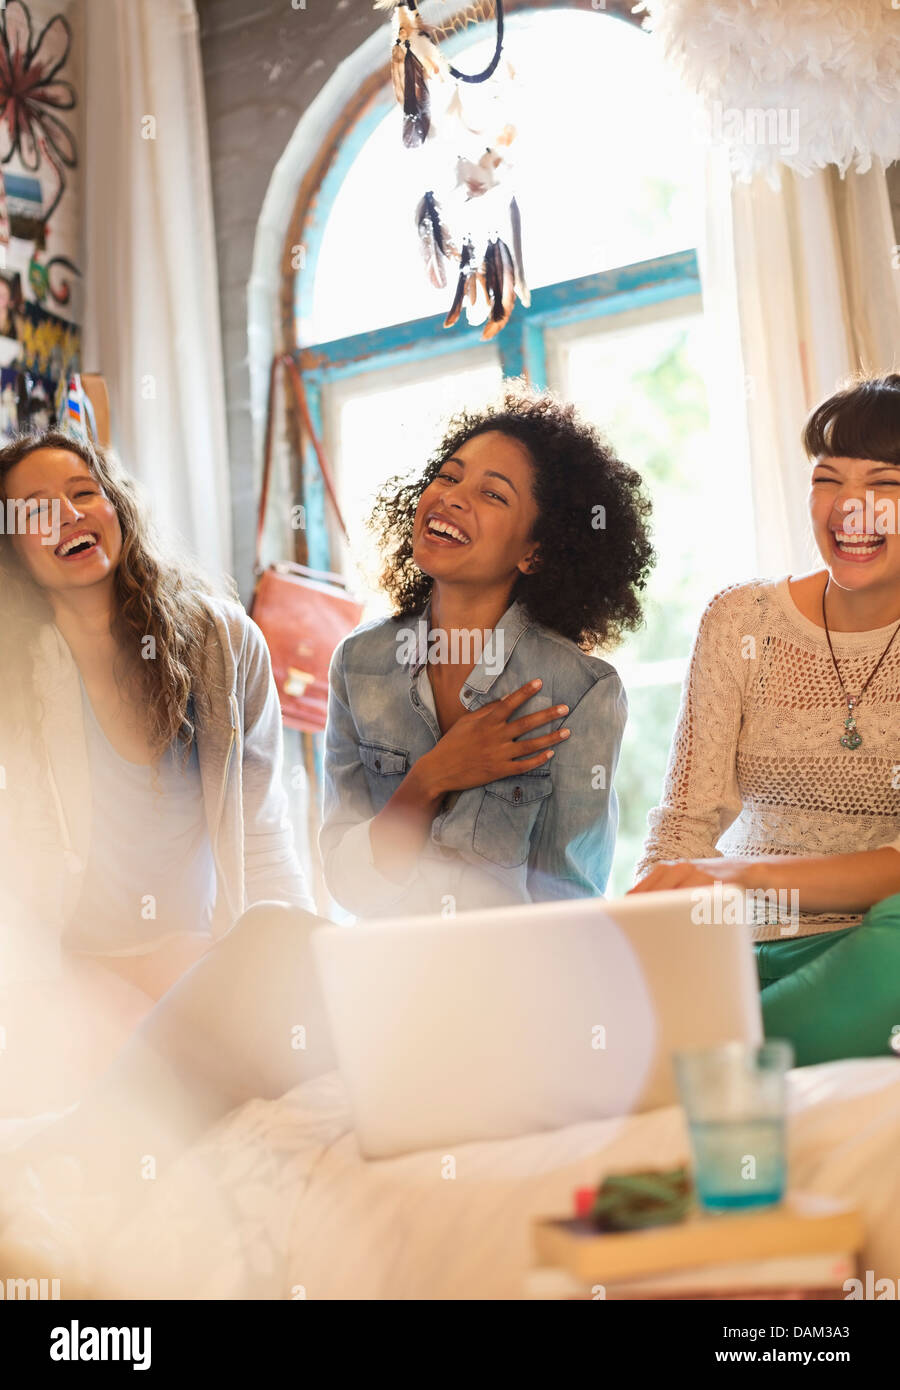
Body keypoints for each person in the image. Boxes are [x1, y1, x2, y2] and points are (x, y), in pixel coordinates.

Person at [631, 373, 900, 1066]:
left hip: (871, 945)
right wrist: (653, 930)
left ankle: (719, 1067)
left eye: (885, 484)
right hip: (736, 935)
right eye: (828, 479)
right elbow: (686, 823)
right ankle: (712, 1055)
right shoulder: (741, 620)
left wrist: (749, 876)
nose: (850, 509)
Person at [0, 427, 313, 1006]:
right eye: (36, 510)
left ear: (115, 504)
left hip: (206, 978)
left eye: (83, 492)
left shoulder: (224, 641)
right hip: (70, 999)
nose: (68, 515)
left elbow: (264, 840)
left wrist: (294, 974)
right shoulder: (11, 677)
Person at [320, 379, 654, 916]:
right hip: (385, 976)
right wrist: (432, 777)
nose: (451, 495)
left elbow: (568, 906)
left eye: (492, 494)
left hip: (511, 984)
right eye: (448, 476)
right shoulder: (358, 664)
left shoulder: (581, 690)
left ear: (535, 553)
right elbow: (347, 883)